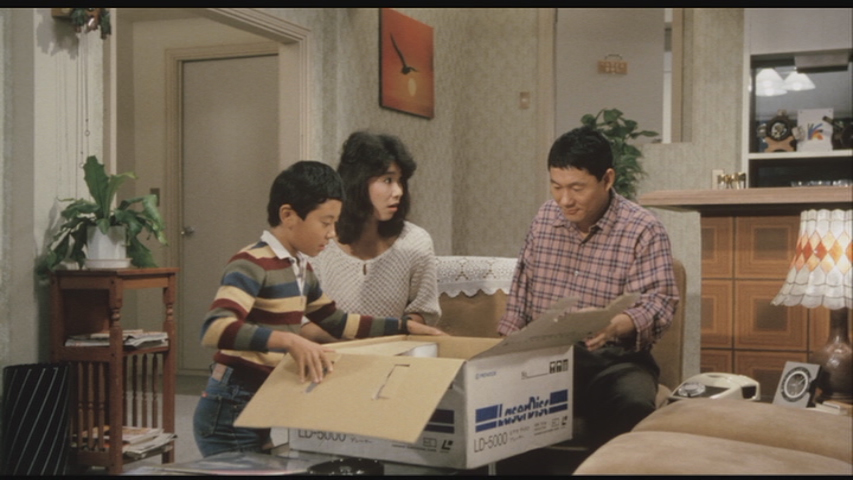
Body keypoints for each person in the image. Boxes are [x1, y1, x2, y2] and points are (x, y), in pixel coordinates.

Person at [193, 160, 445, 458]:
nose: (332, 233)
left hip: (257, 402)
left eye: (335, 223)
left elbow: (338, 322)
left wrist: (404, 326)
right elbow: (216, 328)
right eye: (325, 223)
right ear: (288, 215)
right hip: (229, 406)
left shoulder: (300, 267)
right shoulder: (251, 263)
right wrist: (289, 340)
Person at [497, 126, 679, 449]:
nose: (565, 200)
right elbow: (521, 292)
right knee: (493, 401)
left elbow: (658, 303)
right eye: (556, 187)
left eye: (577, 188)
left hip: (614, 362)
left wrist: (614, 325)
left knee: (631, 403)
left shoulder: (643, 228)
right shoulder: (545, 219)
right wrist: (501, 351)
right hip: (545, 359)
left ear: (607, 179)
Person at [303, 131, 440, 344]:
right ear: (357, 182)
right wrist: (351, 345)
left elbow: (424, 311)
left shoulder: (415, 241)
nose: (398, 191)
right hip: (327, 355)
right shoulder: (319, 241)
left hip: (392, 354)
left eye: (400, 181)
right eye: (387, 180)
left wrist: (381, 342)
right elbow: (299, 322)